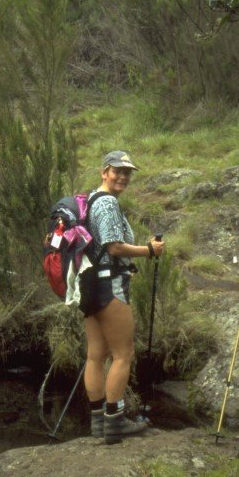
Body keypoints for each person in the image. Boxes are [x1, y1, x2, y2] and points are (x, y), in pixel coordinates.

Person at [81, 150, 165, 445]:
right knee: (123, 355)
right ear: (104, 171)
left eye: (127, 172)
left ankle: (97, 421)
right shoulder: (106, 203)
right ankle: (115, 422)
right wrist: (148, 250)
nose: (123, 177)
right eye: (117, 171)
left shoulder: (91, 200)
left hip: (91, 286)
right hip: (109, 287)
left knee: (96, 355)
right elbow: (114, 247)